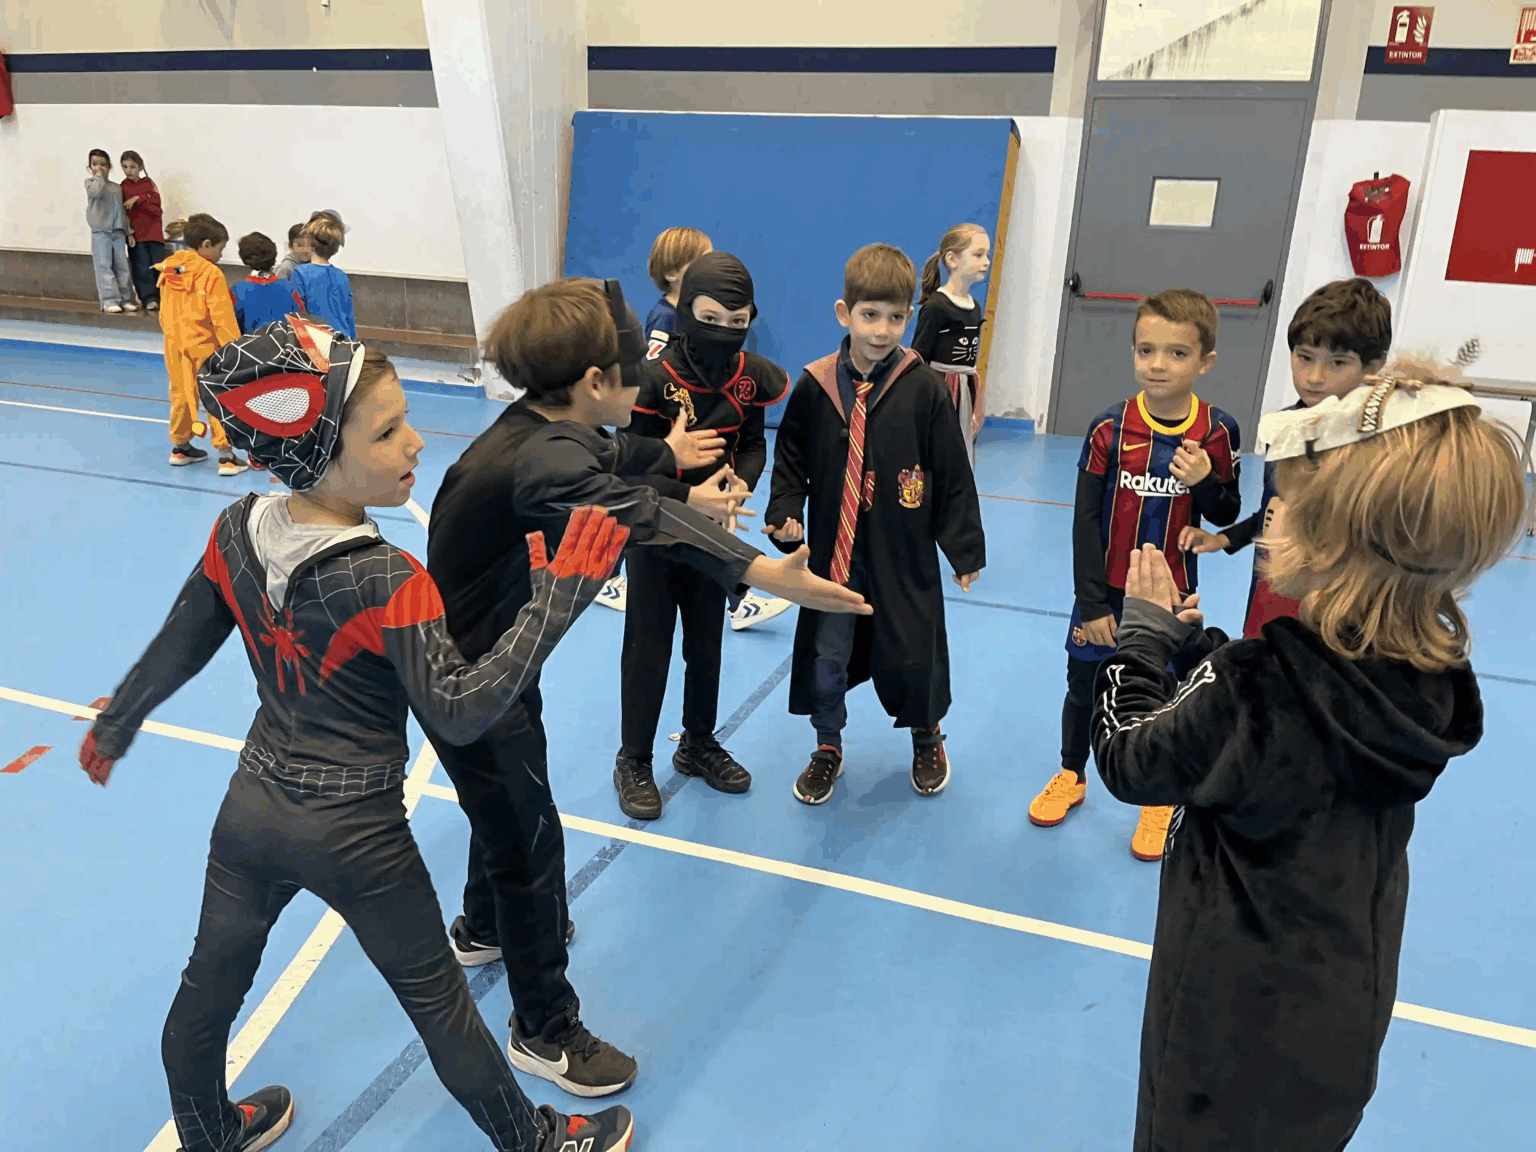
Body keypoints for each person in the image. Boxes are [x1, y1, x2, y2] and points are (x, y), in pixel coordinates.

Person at [78, 319, 636, 1152]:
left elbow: (182, 638)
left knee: (208, 989)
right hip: (357, 834)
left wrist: (118, 722)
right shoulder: (387, 578)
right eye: (386, 432)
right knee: (440, 1007)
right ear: (317, 455)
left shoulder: (234, 531)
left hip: (252, 811)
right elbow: (460, 711)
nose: (416, 441)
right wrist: (554, 603)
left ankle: (208, 1132)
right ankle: (534, 1142)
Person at [423, 277, 872, 1097]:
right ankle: (544, 1030)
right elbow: (644, 515)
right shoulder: (547, 460)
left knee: (505, 805)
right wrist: (763, 570)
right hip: (472, 681)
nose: (646, 379)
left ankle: (483, 927)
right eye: (635, 370)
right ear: (598, 381)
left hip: (489, 661)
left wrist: (667, 454)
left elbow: (612, 454)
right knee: (530, 839)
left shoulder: (540, 428)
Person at [1090, 363, 1528, 1152]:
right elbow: (1281, 723)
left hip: (1221, 1038)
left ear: (1329, 543)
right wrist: (1201, 651)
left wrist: (1143, 646)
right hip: (1340, 1019)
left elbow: (1129, 759)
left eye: (1284, 504)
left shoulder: (1254, 687)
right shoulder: (1426, 681)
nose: (1270, 516)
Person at [763, 243, 985, 806]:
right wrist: (785, 510)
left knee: (913, 650)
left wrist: (964, 548)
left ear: (909, 317)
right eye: (869, 315)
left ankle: (926, 736)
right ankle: (828, 744)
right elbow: (789, 456)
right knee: (827, 656)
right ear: (845, 313)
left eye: (895, 317)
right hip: (836, 554)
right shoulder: (816, 385)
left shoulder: (921, 387)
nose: (882, 330)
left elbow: (951, 471)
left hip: (902, 551)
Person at [1027, 288, 1241, 861]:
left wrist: (1204, 480)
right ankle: (1072, 774)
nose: (1158, 364)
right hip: (1106, 592)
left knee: (1163, 692)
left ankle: (1158, 796)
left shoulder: (1218, 431)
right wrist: (1093, 603)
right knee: (1083, 685)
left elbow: (1226, 512)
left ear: (1205, 362)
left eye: (1176, 353)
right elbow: (1084, 521)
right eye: (1146, 350)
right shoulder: (1108, 429)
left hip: (1172, 597)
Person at [614, 252, 794, 820]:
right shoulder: (654, 380)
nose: (723, 332)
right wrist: (688, 493)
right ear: (687, 310)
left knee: (705, 643)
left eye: (737, 323)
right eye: (711, 319)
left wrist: (740, 483)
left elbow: (753, 442)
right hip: (655, 530)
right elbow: (628, 469)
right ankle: (634, 758)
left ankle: (697, 743)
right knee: (649, 646)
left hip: (713, 533)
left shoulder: (750, 377)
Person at [1178, 277, 1391, 638]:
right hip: (1270, 596)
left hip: (1334, 615)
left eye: (1338, 363)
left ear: (1373, 366)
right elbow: (1276, 510)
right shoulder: (1285, 429)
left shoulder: (1379, 448)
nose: (1315, 377)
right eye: (1304, 357)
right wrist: (1225, 539)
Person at [596, 225, 714, 614]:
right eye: (703, 261)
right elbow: (654, 375)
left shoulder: (689, 315)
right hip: (657, 431)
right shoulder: (665, 319)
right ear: (675, 272)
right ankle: (607, 576)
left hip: (674, 431)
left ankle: (734, 596)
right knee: (640, 503)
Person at [154, 214, 249, 476]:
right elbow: (222, 319)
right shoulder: (211, 274)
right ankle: (226, 456)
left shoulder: (170, 268)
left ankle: (181, 447)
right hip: (207, 348)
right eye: (220, 249)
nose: (221, 254)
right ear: (206, 245)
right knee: (216, 397)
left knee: (181, 394)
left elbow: (164, 309)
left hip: (175, 345)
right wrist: (234, 351)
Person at [911, 223, 991, 465]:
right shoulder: (936, 306)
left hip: (966, 389)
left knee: (960, 454)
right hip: (941, 391)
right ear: (953, 260)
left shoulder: (975, 307)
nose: (986, 262)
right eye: (978, 255)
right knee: (937, 453)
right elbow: (918, 357)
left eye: (987, 255)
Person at [84, 148, 137, 314]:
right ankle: (109, 300)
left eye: (103, 165)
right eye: (95, 164)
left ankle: (125, 298)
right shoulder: (91, 183)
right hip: (101, 232)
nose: (99, 168)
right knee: (104, 266)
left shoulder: (116, 188)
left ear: (109, 166)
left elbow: (122, 211)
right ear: (90, 167)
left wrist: (128, 231)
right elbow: (96, 192)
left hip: (118, 231)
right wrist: (98, 177)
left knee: (122, 266)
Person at [291, 215, 355, 338]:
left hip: (318, 341)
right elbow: (349, 316)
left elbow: (296, 315)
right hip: (343, 340)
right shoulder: (342, 276)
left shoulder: (300, 274)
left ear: (308, 242)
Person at [232, 232, 306, 334]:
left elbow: (231, 329)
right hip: (285, 343)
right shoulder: (291, 289)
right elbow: (302, 324)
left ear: (244, 259)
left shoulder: (237, 291)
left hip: (251, 343)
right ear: (274, 256)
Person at [120, 150, 165, 312]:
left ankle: (164, 297)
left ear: (140, 167)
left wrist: (139, 198)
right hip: (137, 234)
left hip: (153, 232)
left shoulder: (148, 184)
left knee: (158, 266)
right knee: (141, 268)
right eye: (125, 167)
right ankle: (149, 298)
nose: (129, 170)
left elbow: (156, 206)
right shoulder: (123, 187)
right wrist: (129, 233)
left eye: (132, 166)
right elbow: (123, 212)